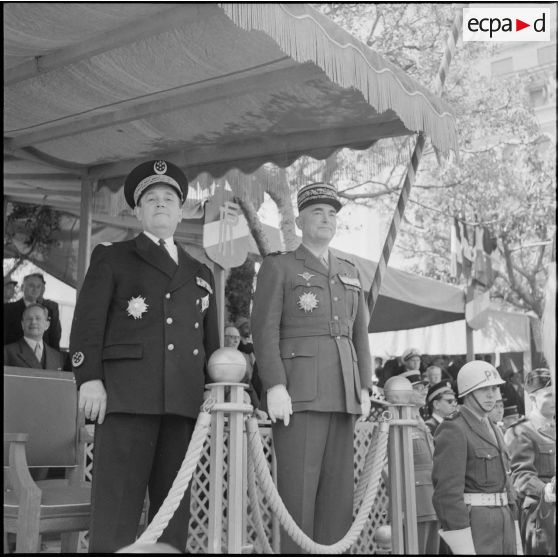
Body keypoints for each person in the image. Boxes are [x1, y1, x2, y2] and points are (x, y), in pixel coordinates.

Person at [69, 159, 220, 553]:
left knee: (172, 513)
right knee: (116, 508)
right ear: (137, 211)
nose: (160, 205)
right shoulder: (112, 257)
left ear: (181, 209)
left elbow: (211, 345)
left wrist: (215, 392)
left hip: (183, 404)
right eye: (151, 199)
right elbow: (87, 325)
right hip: (126, 398)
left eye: (169, 199)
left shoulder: (200, 271)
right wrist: (89, 379)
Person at [251, 182, 372, 553]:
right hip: (298, 393)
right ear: (300, 220)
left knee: (337, 498)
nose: (327, 219)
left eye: (333, 213)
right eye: (318, 212)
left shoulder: (350, 271)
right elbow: (264, 329)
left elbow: (360, 335)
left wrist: (364, 387)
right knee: (298, 497)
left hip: (343, 392)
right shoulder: (279, 266)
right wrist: (274, 385)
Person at [432, 360, 521, 555]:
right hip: (476, 531)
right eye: (483, 389)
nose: (492, 395)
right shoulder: (454, 428)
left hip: (504, 525)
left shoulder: (493, 427)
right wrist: (462, 545)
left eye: (494, 388)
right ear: (467, 392)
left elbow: (507, 484)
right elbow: (447, 495)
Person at [505, 368, 555, 555]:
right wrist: (545, 489)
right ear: (533, 399)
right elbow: (520, 474)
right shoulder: (521, 431)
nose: (555, 400)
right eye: (549, 395)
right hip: (542, 513)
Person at [400, 370, 440, 554]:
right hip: (412, 502)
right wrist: (399, 500)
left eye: (425, 386)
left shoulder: (420, 422)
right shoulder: (399, 423)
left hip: (431, 499)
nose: (424, 390)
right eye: (418, 387)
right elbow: (386, 467)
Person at [4, 272, 62, 349]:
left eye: (38, 286)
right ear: (22, 287)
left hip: (43, 358)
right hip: (15, 357)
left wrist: (55, 358)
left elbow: (54, 337)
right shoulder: (7, 309)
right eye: (31, 286)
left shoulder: (49, 310)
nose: (35, 289)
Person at [4, 303, 67, 370]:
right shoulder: (7, 352)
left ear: (47, 325)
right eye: (29, 318)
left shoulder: (57, 357)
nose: (33, 322)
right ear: (22, 324)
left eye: (38, 318)